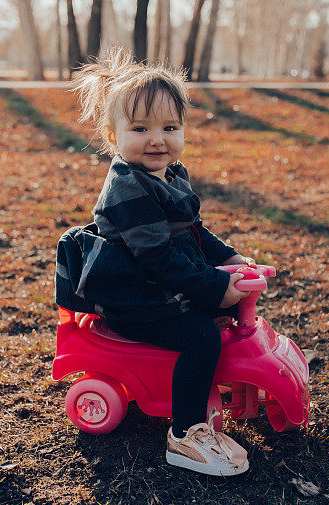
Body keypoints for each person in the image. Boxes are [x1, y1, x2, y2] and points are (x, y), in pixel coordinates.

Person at [59, 49, 255, 476]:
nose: (157, 139)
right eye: (141, 128)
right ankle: (185, 435)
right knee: (202, 335)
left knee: (227, 309)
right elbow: (159, 258)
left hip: (161, 289)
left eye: (170, 127)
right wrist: (214, 286)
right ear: (114, 136)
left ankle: (215, 388)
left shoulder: (172, 173)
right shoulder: (127, 188)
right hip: (135, 299)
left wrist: (229, 260)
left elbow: (193, 231)